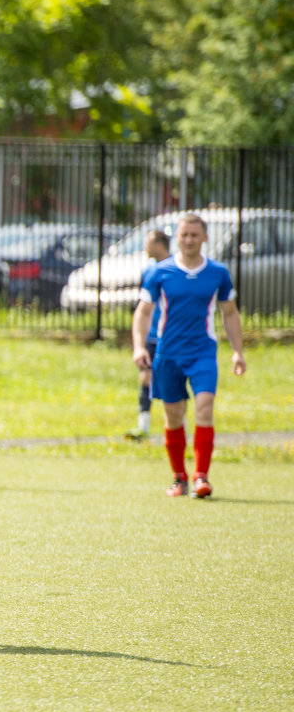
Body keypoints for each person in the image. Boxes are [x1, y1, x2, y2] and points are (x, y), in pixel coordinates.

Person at [132, 213, 245, 499]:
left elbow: (229, 313)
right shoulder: (160, 272)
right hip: (168, 355)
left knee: (204, 407)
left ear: (204, 237)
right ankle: (179, 477)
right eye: (184, 235)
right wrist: (139, 346)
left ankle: (201, 476)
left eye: (195, 235)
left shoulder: (217, 272)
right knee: (173, 416)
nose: (189, 240)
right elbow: (143, 312)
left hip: (202, 352)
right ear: (177, 237)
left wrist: (237, 352)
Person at [125, 230, 171, 441]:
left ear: (161, 244)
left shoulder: (175, 269)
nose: (145, 246)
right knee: (145, 378)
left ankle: (176, 427)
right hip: (151, 335)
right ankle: (142, 427)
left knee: (173, 382)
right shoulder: (148, 271)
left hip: (170, 336)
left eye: (149, 242)